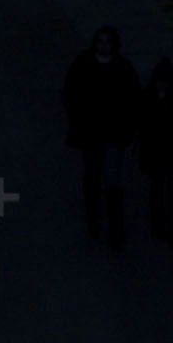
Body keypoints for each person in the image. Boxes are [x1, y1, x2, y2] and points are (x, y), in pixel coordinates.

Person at [62, 24, 137, 246]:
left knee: (112, 180)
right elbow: (70, 93)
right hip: (90, 131)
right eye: (101, 41)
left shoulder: (123, 68)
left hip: (113, 133)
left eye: (108, 42)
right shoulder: (83, 65)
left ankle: (115, 228)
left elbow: (132, 99)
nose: (104, 46)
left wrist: (128, 127)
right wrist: (78, 116)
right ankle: (94, 219)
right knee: (92, 176)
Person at [138, 54, 173, 246]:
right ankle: (161, 225)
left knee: (170, 191)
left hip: (169, 151)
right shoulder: (158, 98)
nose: (162, 85)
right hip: (161, 151)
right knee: (161, 191)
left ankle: (170, 227)